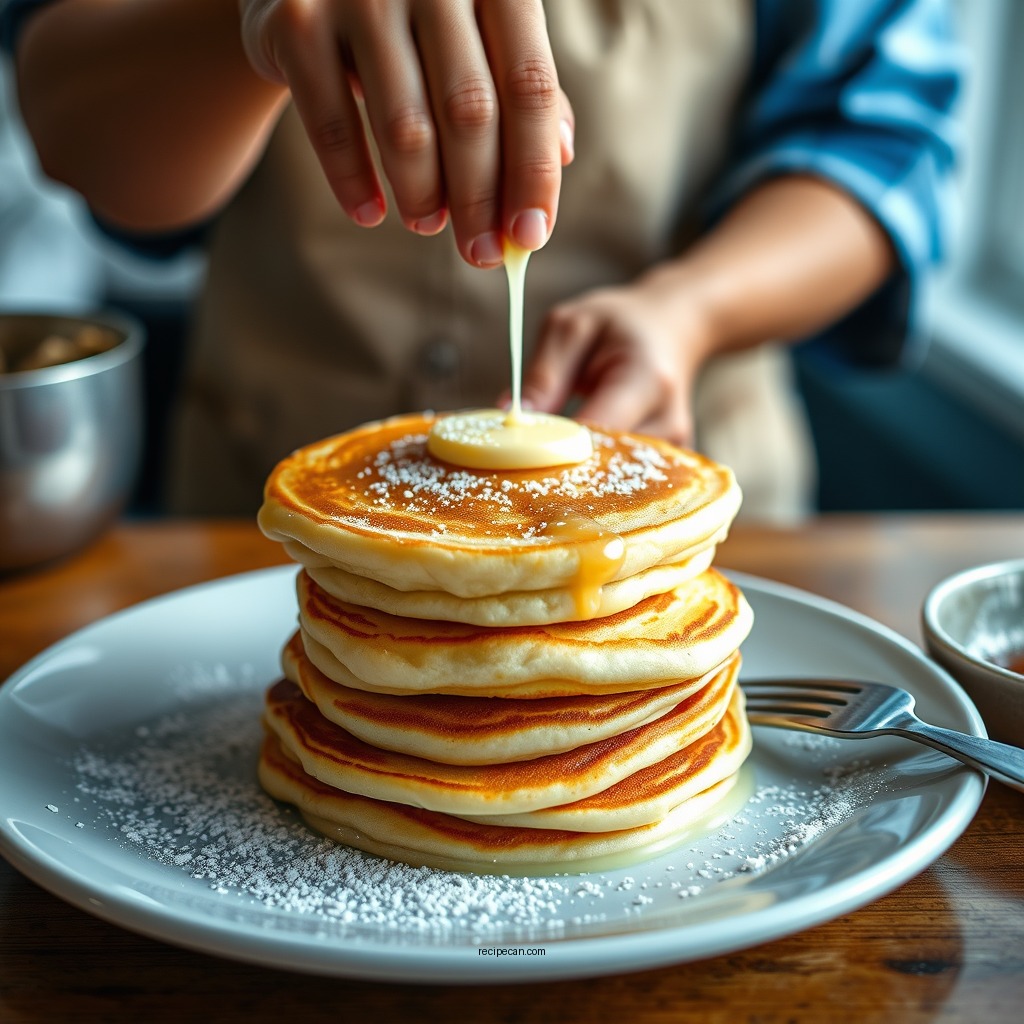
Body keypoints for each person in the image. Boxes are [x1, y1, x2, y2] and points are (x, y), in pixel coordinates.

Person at [1, 0, 962, 520]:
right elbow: (79, 139)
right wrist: (247, 23)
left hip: (696, 526)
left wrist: (690, 312)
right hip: (259, 549)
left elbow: (881, 148)